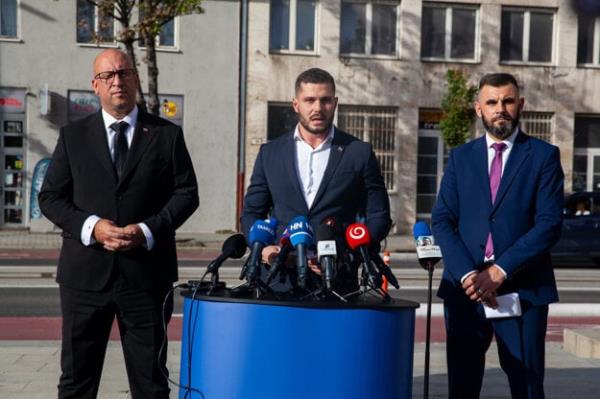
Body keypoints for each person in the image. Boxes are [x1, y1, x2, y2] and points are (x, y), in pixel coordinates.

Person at [39, 49, 199, 399]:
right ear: (95, 86)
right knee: (76, 381)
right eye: (108, 76)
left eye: (124, 73)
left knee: (151, 382)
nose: (117, 82)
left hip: (146, 278)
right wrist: (92, 227)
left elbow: (187, 194)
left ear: (136, 80)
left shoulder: (166, 135)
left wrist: (147, 230)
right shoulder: (73, 136)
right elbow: (50, 198)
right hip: (85, 278)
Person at [432, 73, 564, 399]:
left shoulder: (543, 156)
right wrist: (469, 276)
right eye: (492, 102)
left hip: (523, 289)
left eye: (507, 101)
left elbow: (548, 225)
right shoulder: (461, 158)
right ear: (479, 109)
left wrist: (498, 271)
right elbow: (442, 220)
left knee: (528, 387)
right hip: (466, 293)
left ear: (520, 105)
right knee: (461, 387)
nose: (500, 109)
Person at [241, 68, 391, 287]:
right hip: (279, 278)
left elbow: (379, 216)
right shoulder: (270, 153)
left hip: (337, 279)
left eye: (325, 100)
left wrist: (347, 254)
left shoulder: (358, 152)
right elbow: (251, 213)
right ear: (296, 104)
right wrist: (264, 249)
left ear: (335, 103)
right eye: (309, 100)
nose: (318, 108)